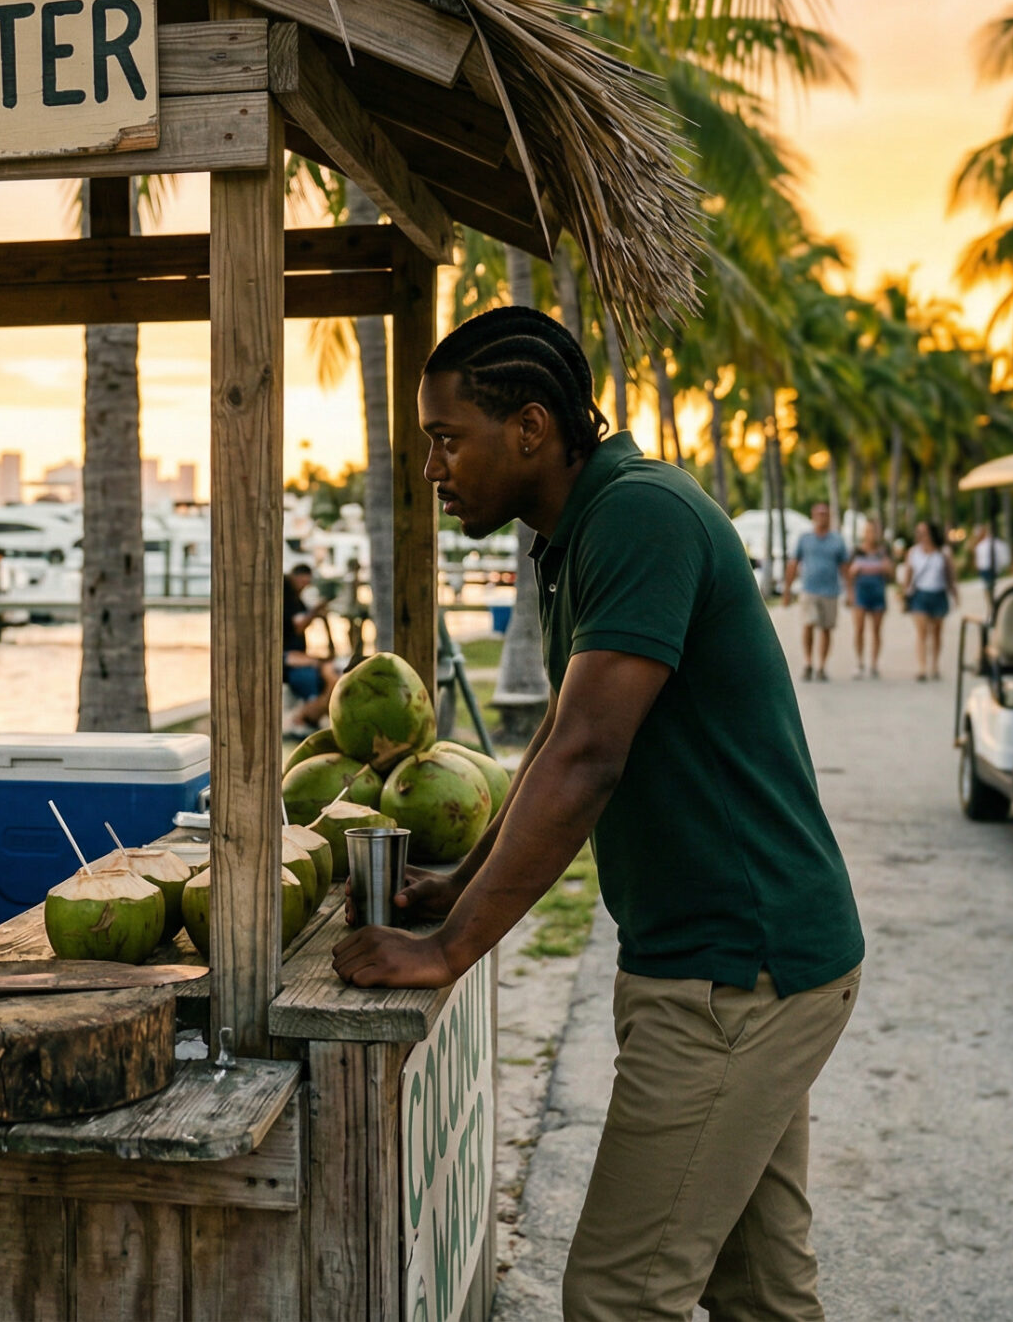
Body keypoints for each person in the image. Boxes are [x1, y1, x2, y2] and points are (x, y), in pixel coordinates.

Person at [336, 307, 862, 1322]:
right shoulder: (582, 529)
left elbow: (586, 760)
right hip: (737, 961)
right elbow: (555, 744)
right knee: (759, 1292)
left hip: (735, 972)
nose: (433, 467)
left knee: (619, 1296)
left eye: (448, 438)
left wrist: (449, 945)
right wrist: (459, 880)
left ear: (530, 427)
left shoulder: (638, 516)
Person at [783, 502, 851, 681]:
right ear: (813, 517)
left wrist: (850, 591)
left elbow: (845, 567)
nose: (822, 517)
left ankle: (821, 665)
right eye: (819, 514)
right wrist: (787, 590)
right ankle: (808, 662)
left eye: (825, 514)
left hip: (830, 591)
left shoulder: (837, 540)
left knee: (826, 629)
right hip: (809, 590)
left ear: (829, 517)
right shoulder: (805, 539)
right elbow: (793, 564)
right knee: (808, 624)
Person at [903, 520, 957, 681]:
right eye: (919, 532)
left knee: (936, 633)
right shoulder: (913, 552)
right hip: (920, 594)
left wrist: (954, 593)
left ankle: (935, 664)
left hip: (938, 593)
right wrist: (905, 594)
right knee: (922, 633)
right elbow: (908, 575)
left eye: (924, 532)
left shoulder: (943, 552)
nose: (921, 536)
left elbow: (950, 575)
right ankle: (922, 667)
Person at [284, 563, 333, 730]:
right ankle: (303, 716)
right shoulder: (287, 598)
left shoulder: (296, 600)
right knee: (310, 675)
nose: (303, 587)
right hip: (287, 657)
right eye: (301, 583)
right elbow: (299, 626)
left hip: (296, 654)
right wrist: (315, 611)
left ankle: (309, 714)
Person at [846, 520, 891, 678]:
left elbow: (890, 574)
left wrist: (887, 568)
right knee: (859, 629)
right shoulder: (857, 551)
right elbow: (849, 574)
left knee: (876, 630)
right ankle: (859, 662)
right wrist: (850, 593)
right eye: (868, 531)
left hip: (878, 593)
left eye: (874, 531)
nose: (871, 534)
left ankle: (874, 663)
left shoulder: (883, 552)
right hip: (861, 594)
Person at [969, 522, 1012, 598]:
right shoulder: (984, 544)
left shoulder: (981, 544)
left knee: (987, 586)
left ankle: (990, 600)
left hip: (985, 567)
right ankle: (991, 599)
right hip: (989, 567)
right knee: (989, 586)